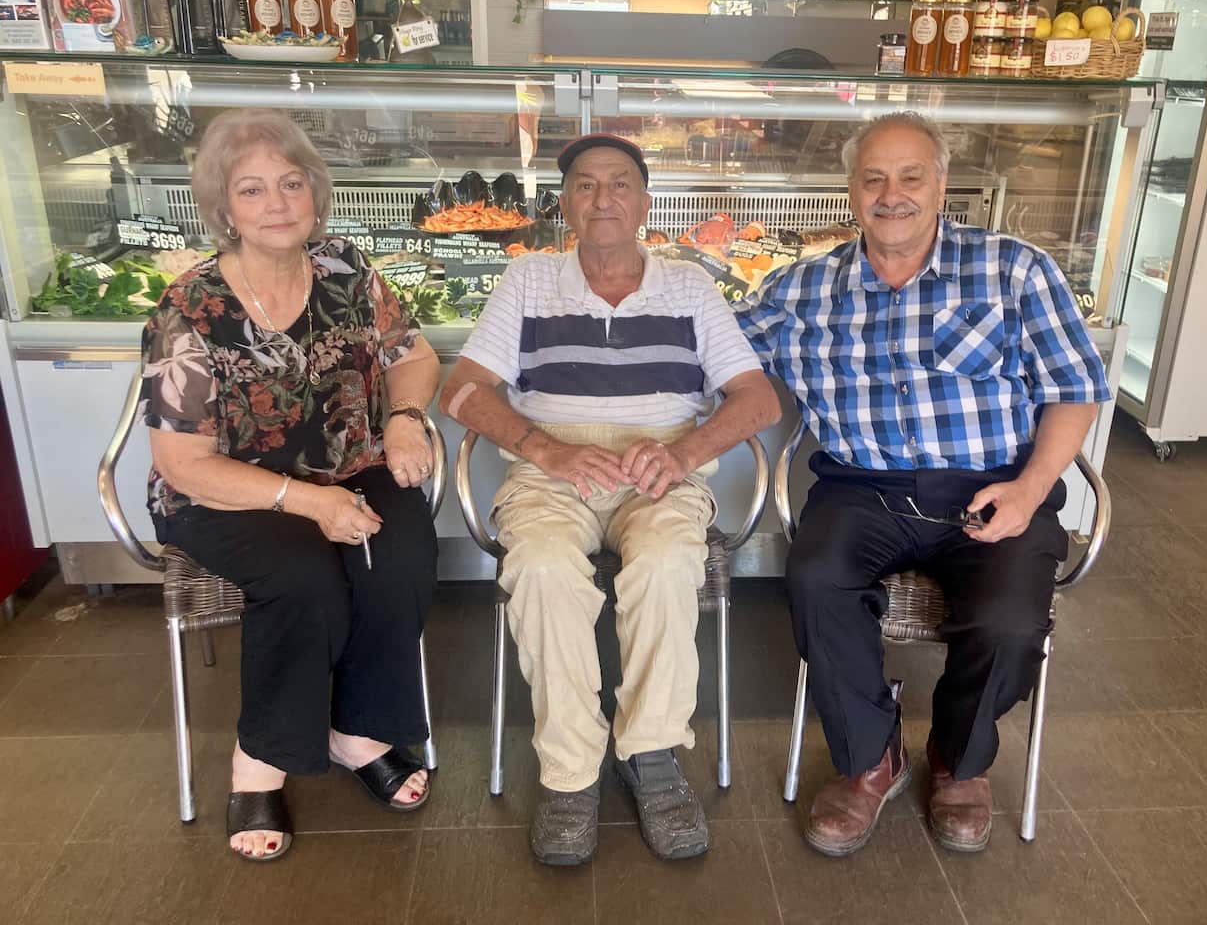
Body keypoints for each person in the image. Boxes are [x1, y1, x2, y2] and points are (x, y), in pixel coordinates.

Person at [734, 111, 1110, 856]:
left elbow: (1075, 388)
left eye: (911, 176)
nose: (891, 194)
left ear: (942, 185)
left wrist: (1033, 488)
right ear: (850, 192)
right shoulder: (805, 287)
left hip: (994, 486)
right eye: (873, 178)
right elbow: (720, 352)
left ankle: (959, 761)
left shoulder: (1014, 269)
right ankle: (870, 760)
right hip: (861, 488)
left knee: (1008, 621)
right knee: (814, 578)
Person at [440, 134, 779, 865]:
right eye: (586, 186)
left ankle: (652, 753)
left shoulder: (689, 286)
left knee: (663, 565)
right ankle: (569, 774)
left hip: (660, 468)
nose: (603, 199)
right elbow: (461, 388)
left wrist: (686, 453)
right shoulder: (527, 280)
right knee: (542, 569)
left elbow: (758, 398)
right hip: (551, 471)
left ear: (645, 202)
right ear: (564, 205)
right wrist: (546, 448)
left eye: (619, 184)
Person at [141, 109, 441, 862]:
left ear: (315, 192)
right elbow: (185, 464)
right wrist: (311, 502)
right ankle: (261, 760)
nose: (277, 202)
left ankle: (357, 732)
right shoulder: (191, 308)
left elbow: (414, 355)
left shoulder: (347, 268)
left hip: (350, 463)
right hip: (228, 493)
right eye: (252, 190)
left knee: (400, 553)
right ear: (225, 210)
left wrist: (404, 417)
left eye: (290, 182)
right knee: (304, 575)